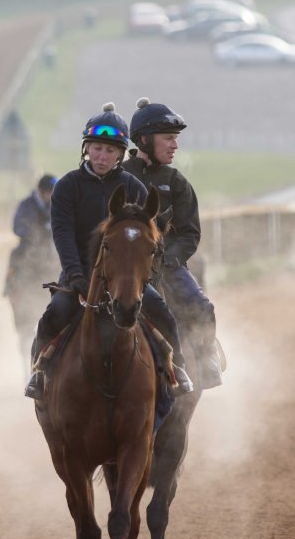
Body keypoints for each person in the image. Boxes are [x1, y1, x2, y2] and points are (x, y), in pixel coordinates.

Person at [24, 102, 193, 400]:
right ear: (86, 149)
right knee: (54, 314)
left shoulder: (135, 188)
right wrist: (75, 275)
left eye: (110, 151)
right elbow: (63, 235)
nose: (102, 156)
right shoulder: (67, 187)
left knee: (163, 313)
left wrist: (140, 278)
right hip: (78, 275)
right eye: (97, 149)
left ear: (120, 154)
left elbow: (146, 238)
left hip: (127, 279)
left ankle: (176, 368)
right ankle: (39, 372)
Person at [121, 97, 222, 389]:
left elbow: (190, 233)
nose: (175, 145)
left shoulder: (177, 182)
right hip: (124, 265)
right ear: (144, 139)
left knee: (202, 306)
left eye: (175, 139)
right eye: (168, 138)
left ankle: (207, 355)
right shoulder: (120, 176)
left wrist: (167, 260)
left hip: (167, 265)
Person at [5, 173, 58, 371]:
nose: (50, 196)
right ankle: (11, 287)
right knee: (16, 261)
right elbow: (17, 227)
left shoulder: (57, 205)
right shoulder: (26, 205)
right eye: (48, 192)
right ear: (42, 192)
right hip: (27, 256)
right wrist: (36, 233)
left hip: (50, 258)